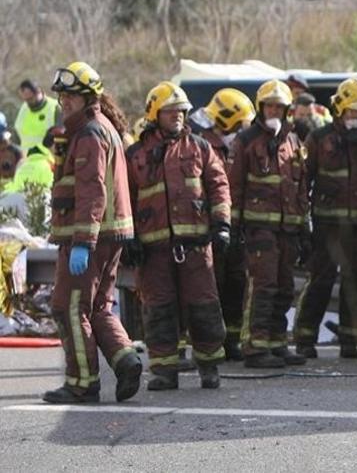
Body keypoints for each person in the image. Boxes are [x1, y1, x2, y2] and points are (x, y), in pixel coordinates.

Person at [42, 62, 142, 404]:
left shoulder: (89, 134)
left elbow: (91, 190)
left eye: (71, 95)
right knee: (98, 306)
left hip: (89, 237)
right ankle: (125, 359)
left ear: (88, 97)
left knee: (69, 307)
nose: (64, 102)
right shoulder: (97, 128)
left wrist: (83, 242)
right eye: (62, 96)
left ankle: (82, 383)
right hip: (107, 234)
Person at [125, 82, 231, 390]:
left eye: (181, 112)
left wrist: (222, 225)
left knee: (204, 306)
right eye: (171, 112)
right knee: (159, 309)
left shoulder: (199, 147)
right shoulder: (136, 154)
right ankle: (164, 371)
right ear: (155, 114)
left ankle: (209, 367)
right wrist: (128, 237)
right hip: (153, 249)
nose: (178, 117)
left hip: (196, 246)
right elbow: (125, 198)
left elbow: (219, 186)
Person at [295, 78, 357, 359]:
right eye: (352, 112)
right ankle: (304, 338)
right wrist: (302, 220)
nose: (356, 118)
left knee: (356, 282)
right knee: (321, 281)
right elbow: (304, 178)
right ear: (340, 109)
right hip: (328, 224)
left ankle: (350, 341)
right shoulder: (319, 138)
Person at [227, 80, 309, 368]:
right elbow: (234, 187)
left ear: (287, 109)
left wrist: (304, 225)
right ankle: (255, 346)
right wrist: (233, 227)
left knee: (285, 287)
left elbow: (300, 186)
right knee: (263, 286)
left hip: (288, 229)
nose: (274, 110)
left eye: (279, 106)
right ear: (261, 108)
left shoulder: (293, 141)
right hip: (258, 228)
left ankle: (277, 343)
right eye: (269, 106)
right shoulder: (246, 141)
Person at [191, 88, 255, 361]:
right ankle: (209, 344)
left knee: (236, 284)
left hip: (236, 226)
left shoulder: (236, 145)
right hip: (209, 227)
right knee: (211, 286)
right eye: (241, 124)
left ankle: (232, 340)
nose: (244, 129)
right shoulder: (201, 145)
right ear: (227, 121)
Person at [15, 79, 61, 155]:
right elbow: (18, 129)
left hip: (48, 160)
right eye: (25, 100)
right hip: (27, 159)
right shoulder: (24, 107)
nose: (28, 102)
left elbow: (61, 134)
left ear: (38, 92)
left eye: (30, 99)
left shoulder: (56, 107)